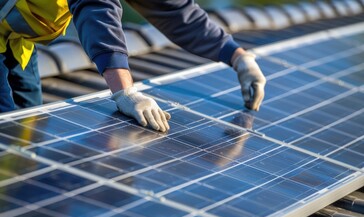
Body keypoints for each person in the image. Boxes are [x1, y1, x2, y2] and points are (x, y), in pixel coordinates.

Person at [0, 0, 266, 132]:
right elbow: (96, 8)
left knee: (26, 128)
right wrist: (125, 92)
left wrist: (237, 56)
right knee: (6, 132)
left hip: (15, 40)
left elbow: (176, 12)